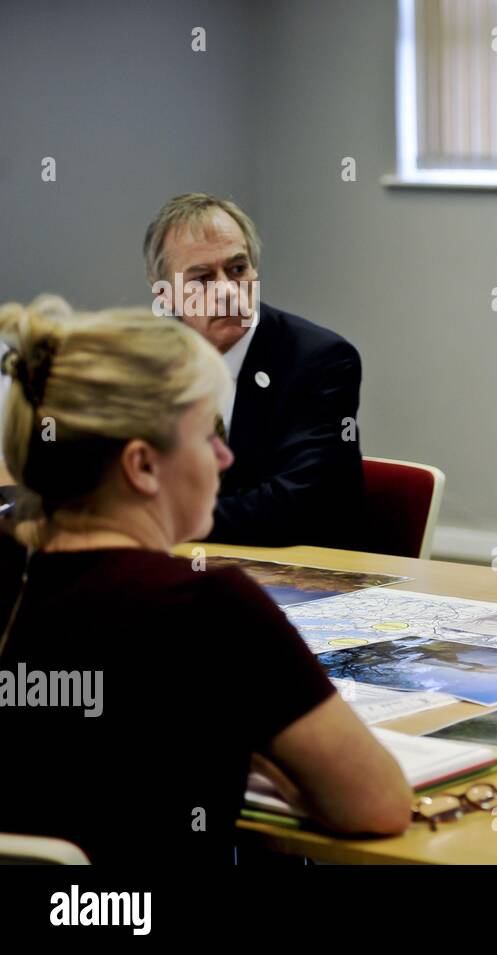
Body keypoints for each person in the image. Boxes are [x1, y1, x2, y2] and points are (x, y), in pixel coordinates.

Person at [0, 300, 410, 864]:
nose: (224, 457)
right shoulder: (208, 605)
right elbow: (378, 804)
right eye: (206, 434)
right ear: (142, 466)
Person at [144, 192, 364, 548]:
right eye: (202, 278)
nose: (228, 291)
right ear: (164, 295)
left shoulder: (319, 360)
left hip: (302, 576)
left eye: (237, 269)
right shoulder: (145, 363)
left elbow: (296, 504)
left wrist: (156, 521)